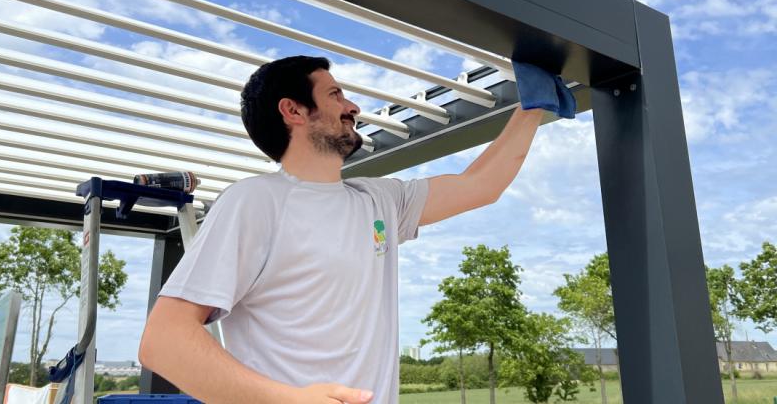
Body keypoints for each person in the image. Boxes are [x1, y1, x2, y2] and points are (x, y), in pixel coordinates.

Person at [139, 55, 570, 404]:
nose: (352, 107)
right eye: (335, 94)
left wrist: (529, 109)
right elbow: (165, 340)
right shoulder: (255, 201)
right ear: (293, 111)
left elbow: (481, 185)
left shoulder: (378, 200)